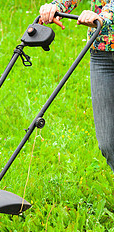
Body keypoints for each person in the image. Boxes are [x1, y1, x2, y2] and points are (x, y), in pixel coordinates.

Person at [39, 1, 114, 173]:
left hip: (102, 22)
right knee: (108, 143)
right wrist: (56, 6)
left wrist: (105, 16)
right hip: (101, 52)